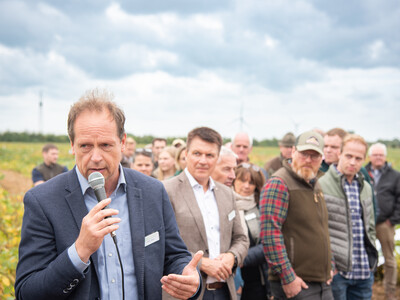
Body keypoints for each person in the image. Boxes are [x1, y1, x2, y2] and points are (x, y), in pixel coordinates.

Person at [15, 89, 202, 300]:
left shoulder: (152, 191)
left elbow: (174, 255)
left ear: (122, 142)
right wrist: (79, 251)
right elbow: (27, 292)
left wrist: (187, 276)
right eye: (85, 146)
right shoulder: (42, 201)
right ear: (71, 145)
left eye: (105, 145)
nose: (95, 157)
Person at [163, 127, 249, 300]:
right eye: (197, 153)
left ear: (217, 158)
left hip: (225, 291)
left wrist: (232, 257)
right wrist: (202, 263)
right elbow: (161, 244)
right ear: (186, 154)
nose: (203, 160)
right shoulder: (165, 191)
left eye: (209, 155)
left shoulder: (227, 194)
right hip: (186, 293)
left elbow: (241, 238)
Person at [260, 130, 334, 300]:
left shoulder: (315, 184)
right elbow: (270, 234)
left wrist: (330, 265)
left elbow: (321, 229)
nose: (308, 160)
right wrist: (288, 277)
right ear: (293, 151)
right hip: (296, 284)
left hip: (322, 282)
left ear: (322, 158)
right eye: (304, 154)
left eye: (314, 156)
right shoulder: (279, 183)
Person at [319, 134, 378, 300]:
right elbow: (318, 229)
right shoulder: (322, 185)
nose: (353, 162)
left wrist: (371, 260)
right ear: (340, 154)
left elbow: (370, 225)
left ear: (364, 159)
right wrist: (329, 265)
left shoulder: (365, 187)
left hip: (363, 272)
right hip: (337, 273)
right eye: (349, 156)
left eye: (358, 158)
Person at [365, 143, 400, 300]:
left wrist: (392, 220)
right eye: (375, 154)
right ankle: (366, 289)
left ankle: (390, 292)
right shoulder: (363, 172)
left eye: (381, 155)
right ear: (370, 156)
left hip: (385, 224)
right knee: (365, 256)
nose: (378, 157)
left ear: (385, 157)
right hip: (366, 223)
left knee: (389, 259)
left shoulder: (395, 175)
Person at [232, 163, 269, 299]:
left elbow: (267, 244)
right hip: (229, 276)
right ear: (234, 180)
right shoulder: (223, 203)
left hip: (257, 277)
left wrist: (240, 259)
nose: (246, 186)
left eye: (251, 182)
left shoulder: (262, 207)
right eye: (242, 180)